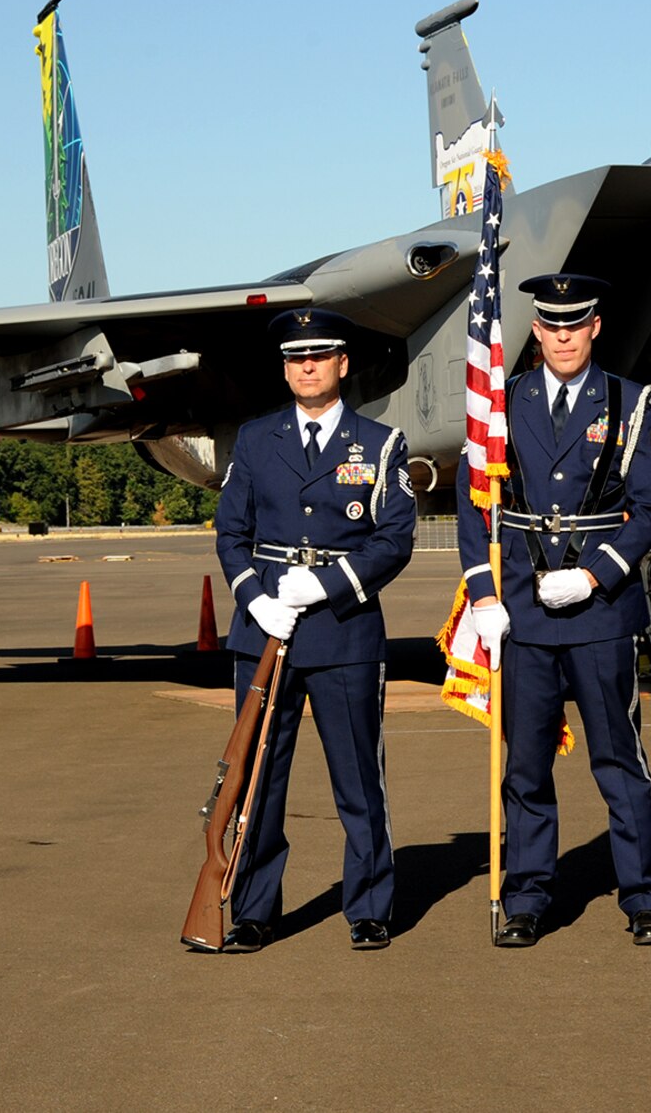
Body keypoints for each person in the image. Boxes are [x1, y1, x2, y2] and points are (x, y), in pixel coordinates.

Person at [457, 273, 651, 948]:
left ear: (595, 327)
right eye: (550, 326)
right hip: (522, 610)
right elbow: (476, 500)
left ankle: (644, 895)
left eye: (574, 325)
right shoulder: (503, 401)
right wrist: (483, 594)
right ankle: (525, 895)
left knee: (618, 758)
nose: (562, 337)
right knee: (524, 766)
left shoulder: (629, 401)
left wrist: (595, 574)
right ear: (538, 331)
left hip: (601, 611)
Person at [212, 308, 417, 952]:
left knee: (358, 779)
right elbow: (231, 533)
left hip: (343, 630)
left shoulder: (380, 445)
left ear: (342, 364)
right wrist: (253, 597)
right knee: (260, 779)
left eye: (320, 355)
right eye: (296, 357)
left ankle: (370, 905)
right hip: (267, 630)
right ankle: (252, 910)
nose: (307, 366)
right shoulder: (254, 439)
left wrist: (325, 585)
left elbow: (394, 541)